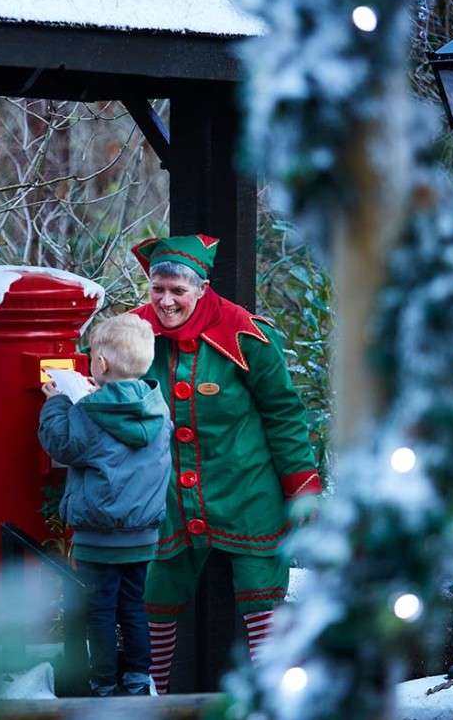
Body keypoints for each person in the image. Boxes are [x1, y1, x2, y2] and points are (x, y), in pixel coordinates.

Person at [129, 234, 320, 694]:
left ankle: (272, 696)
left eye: (178, 290)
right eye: (158, 290)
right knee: (155, 592)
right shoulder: (131, 334)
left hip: (246, 487)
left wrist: (303, 487)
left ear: (201, 288)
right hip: (167, 493)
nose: (167, 301)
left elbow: (283, 413)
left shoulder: (247, 335)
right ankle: (150, 699)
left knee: (261, 595)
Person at [37, 313, 173, 697]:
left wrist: (59, 402)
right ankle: (136, 680)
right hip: (143, 534)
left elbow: (61, 444)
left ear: (100, 364)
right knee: (133, 608)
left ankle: (102, 683)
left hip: (98, 535)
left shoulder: (89, 411)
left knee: (99, 610)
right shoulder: (158, 410)